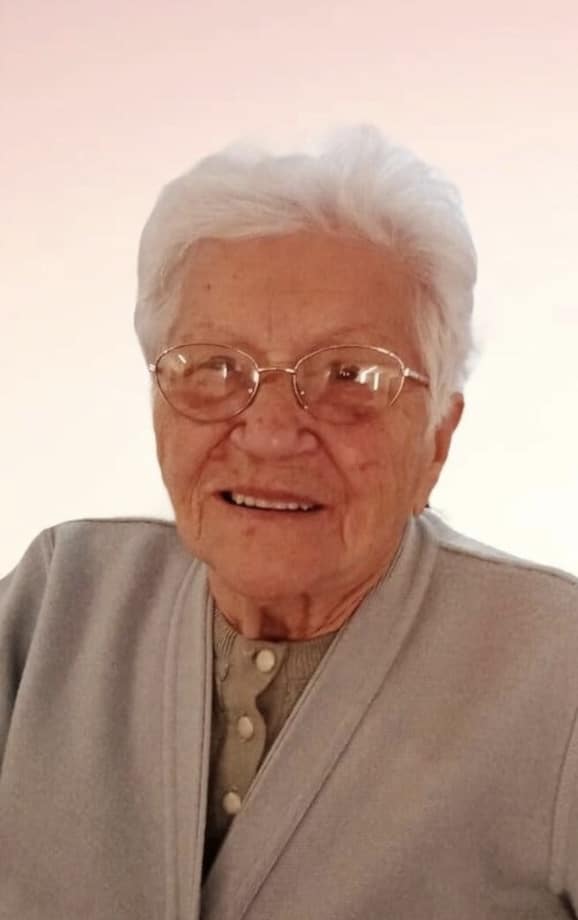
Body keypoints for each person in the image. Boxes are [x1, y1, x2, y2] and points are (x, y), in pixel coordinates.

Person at [1, 126, 577, 920]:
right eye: (216, 367)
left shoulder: (558, 671)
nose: (271, 432)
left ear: (438, 438)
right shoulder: (59, 599)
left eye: (350, 375)